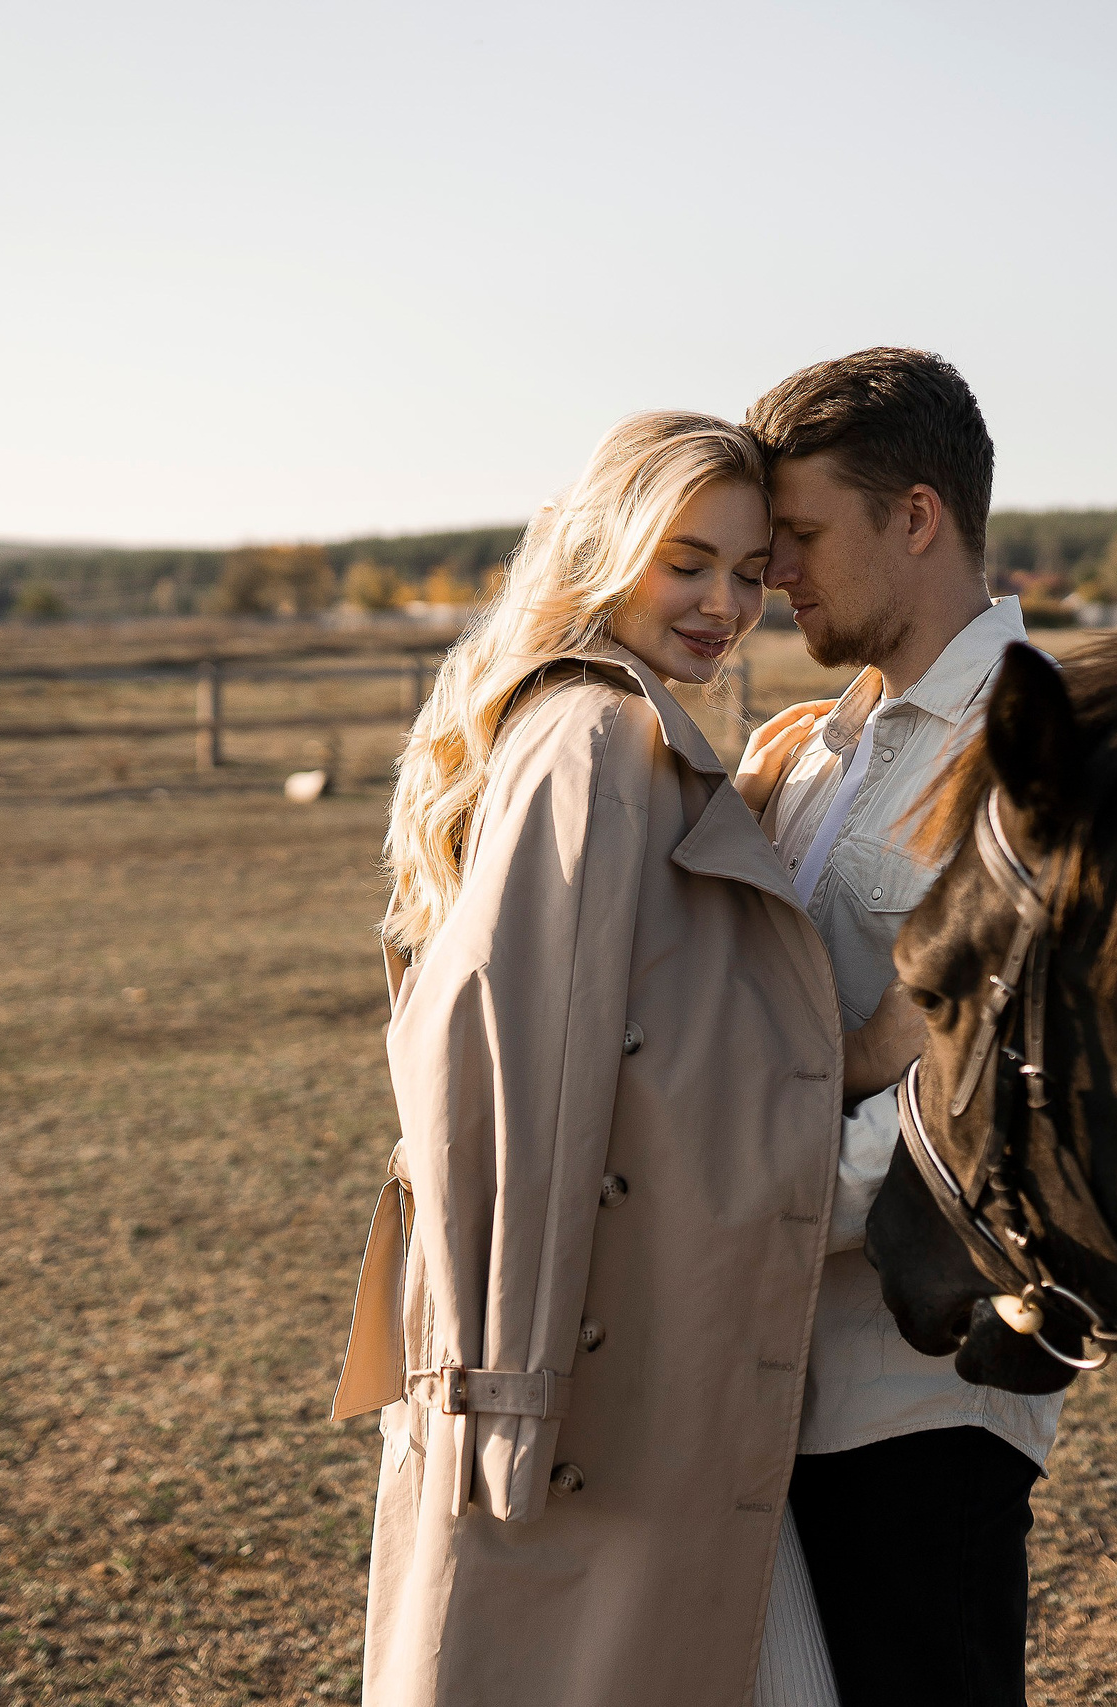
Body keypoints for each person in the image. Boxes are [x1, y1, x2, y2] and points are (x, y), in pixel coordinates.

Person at [338, 411, 913, 1706]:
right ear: (607, 548)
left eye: (753, 571)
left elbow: (678, 1037)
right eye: (687, 561)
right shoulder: (597, 740)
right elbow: (508, 1078)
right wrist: (512, 1388)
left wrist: (738, 828)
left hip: (631, 1363)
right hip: (597, 1382)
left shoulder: (617, 737)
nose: (725, 604)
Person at [733, 349, 1066, 1707]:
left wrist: (745, 1208)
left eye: (801, 538)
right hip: (760, 1374)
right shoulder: (819, 744)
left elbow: (1007, 1091)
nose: (774, 578)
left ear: (916, 517)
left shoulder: (1034, 748)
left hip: (915, 1396)